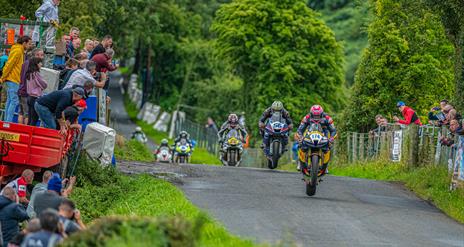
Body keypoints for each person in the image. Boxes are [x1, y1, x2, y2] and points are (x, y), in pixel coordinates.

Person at [297, 105, 337, 176]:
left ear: (321, 114)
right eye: (314, 116)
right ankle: (300, 162)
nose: (316, 118)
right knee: (300, 144)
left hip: (323, 133)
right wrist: (300, 136)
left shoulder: (327, 118)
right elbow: (300, 129)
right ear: (311, 114)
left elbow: (333, 130)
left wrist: (331, 138)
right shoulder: (306, 118)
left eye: (318, 116)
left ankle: (325, 165)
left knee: (328, 146)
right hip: (310, 132)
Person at [1, 36, 33, 123]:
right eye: (29, 43)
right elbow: (9, 64)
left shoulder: (19, 50)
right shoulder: (18, 51)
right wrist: (2, 77)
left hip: (13, 79)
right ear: (24, 43)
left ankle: (5, 121)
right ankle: (8, 122)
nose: (30, 45)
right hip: (13, 79)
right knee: (14, 101)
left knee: (10, 100)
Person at [18, 48, 45, 125]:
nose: (41, 57)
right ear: (35, 55)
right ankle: (26, 132)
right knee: (28, 115)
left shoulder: (25, 63)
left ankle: (20, 131)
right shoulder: (32, 66)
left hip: (21, 89)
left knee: (21, 112)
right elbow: (40, 83)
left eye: (42, 55)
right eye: (40, 55)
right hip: (27, 92)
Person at [26, 57, 48, 127]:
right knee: (34, 119)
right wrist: (45, 83)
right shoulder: (36, 73)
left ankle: (26, 132)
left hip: (29, 97)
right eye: (40, 63)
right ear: (36, 64)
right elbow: (44, 84)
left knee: (30, 118)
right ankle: (30, 135)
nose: (41, 64)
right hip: (35, 97)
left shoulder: (29, 73)